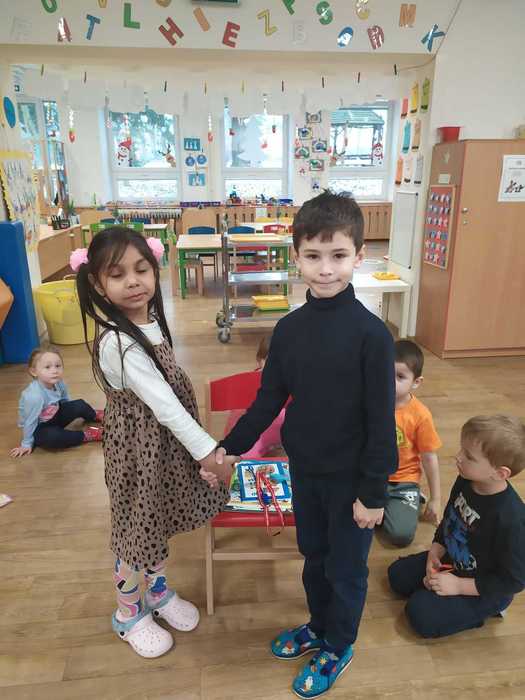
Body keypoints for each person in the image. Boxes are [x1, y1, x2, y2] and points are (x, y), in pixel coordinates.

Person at [204, 191, 398, 698]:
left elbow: (381, 422)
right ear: (296, 257)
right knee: (313, 556)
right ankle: (318, 624)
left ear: (359, 255)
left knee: (346, 568)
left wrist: (373, 493)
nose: (326, 269)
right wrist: (230, 446)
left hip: (352, 480)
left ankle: (339, 644)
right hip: (304, 472)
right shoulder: (289, 330)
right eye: (313, 255)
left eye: (338, 255)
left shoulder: (372, 336)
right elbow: (267, 401)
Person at [74, 227, 236, 658]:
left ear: (155, 270)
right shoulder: (118, 342)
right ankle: (128, 613)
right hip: (135, 454)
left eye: (141, 269)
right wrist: (208, 453)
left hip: (159, 449)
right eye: (117, 275)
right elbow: (165, 406)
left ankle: (157, 592)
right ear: (98, 285)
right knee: (135, 531)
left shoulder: (149, 322)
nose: (133, 281)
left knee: (156, 521)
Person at [388, 415, 525, 638]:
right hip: (454, 559)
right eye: (462, 450)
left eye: (468, 456)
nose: (458, 457)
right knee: (397, 576)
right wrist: (435, 551)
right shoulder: (465, 480)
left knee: (420, 613)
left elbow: (514, 580)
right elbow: (450, 519)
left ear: (500, 473)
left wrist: (459, 586)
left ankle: (485, 611)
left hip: (485, 586)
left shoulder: (512, 520)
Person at [380, 340, 442, 546]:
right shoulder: (370, 403)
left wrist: (436, 499)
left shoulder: (420, 415)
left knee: (400, 535)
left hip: (403, 481)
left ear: (416, 382)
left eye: (400, 377)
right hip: (369, 476)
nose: (390, 382)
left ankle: (410, 500)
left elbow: (429, 458)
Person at [10, 346, 102, 457]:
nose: (54, 371)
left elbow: (64, 400)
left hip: (54, 415)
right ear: (34, 372)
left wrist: (71, 410)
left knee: (79, 404)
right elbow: (30, 422)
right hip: (40, 427)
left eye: (58, 366)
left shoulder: (58, 382)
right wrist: (26, 444)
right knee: (53, 437)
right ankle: (86, 435)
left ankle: (94, 415)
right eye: (47, 367)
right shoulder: (34, 396)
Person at [223, 334, 285, 459]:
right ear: (260, 361)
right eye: (271, 361)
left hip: (274, 430)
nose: (278, 367)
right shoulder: (250, 382)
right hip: (253, 431)